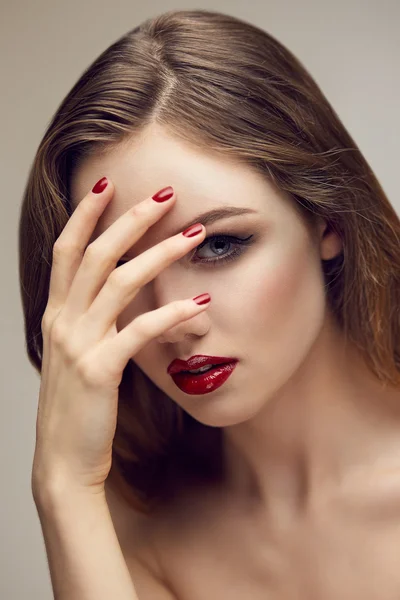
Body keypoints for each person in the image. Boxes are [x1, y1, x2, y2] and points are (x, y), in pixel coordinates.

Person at [18, 8, 400, 600]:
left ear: (330, 220)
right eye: (123, 268)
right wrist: (62, 486)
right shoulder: (127, 525)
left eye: (219, 244)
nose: (173, 319)